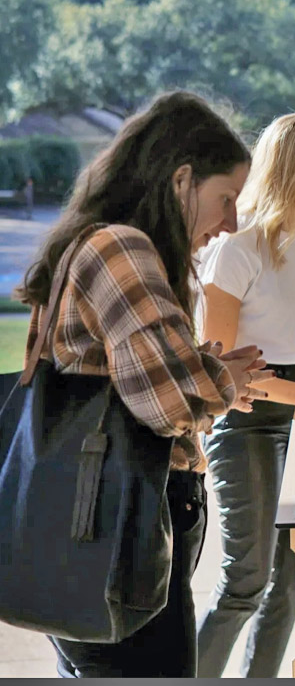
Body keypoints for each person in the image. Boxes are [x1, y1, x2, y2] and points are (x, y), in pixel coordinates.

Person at [14, 91, 271, 678]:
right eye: (226, 199)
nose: (231, 222)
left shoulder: (91, 240)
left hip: (81, 528)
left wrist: (203, 370)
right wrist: (221, 380)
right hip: (121, 530)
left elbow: (121, 375)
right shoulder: (123, 247)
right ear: (182, 180)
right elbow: (170, 404)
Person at [196, 112, 295, 678]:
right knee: (246, 581)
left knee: (290, 584)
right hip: (248, 422)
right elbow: (219, 368)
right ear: (292, 167)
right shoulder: (237, 247)